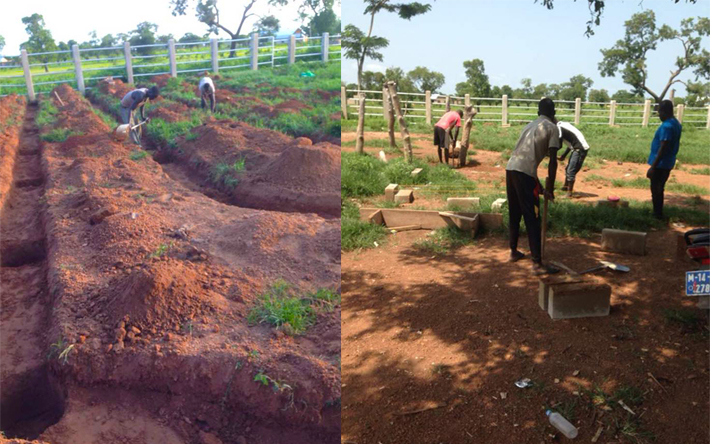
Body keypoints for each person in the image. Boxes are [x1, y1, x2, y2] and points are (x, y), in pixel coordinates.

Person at [505, 98, 561, 275]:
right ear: (553, 113)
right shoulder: (552, 128)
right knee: (532, 217)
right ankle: (537, 263)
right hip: (524, 173)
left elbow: (526, 159)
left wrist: (541, 187)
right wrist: (551, 187)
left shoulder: (529, 126)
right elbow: (553, 161)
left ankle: (513, 251)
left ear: (538, 113)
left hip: (511, 168)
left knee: (515, 212)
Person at [646, 99, 682, 220]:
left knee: (656, 188)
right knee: (659, 187)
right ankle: (657, 212)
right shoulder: (676, 123)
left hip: (661, 163)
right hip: (668, 161)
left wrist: (653, 166)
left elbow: (663, 147)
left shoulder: (667, 126)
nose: (659, 115)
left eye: (660, 112)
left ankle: (657, 214)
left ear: (665, 111)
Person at [557, 121, 590, 197]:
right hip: (577, 148)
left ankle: (569, 193)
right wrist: (564, 155)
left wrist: (547, 152)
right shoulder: (563, 124)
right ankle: (566, 187)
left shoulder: (558, 128)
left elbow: (559, 145)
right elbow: (571, 142)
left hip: (579, 149)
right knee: (568, 169)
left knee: (571, 170)